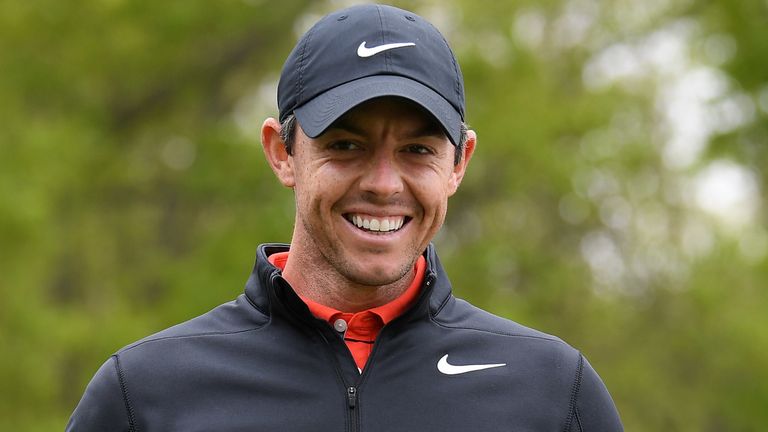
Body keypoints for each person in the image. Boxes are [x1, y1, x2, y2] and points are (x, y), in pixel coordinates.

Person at [67, 4, 623, 431]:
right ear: (282, 153)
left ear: (460, 164)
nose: (384, 184)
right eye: (347, 145)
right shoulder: (146, 393)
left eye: (418, 150)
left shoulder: (552, 392)